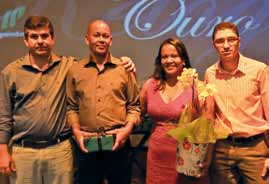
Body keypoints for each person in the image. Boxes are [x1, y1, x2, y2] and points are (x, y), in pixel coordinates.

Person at [0, 16, 136, 184]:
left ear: (53, 38)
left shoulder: (71, 66)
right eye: (34, 37)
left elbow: (132, 103)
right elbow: (4, 116)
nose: (40, 41)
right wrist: (2, 151)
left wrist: (126, 62)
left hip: (64, 151)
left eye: (44, 36)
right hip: (25, 152)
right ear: (26, 40)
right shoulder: (11, 72)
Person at [66, 19, 141, 184]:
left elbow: (134, 106)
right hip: (87, 145)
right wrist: (76, 131)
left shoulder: (124, 69)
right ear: (87, 39)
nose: (101, 40)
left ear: (111, 40)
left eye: (105, 36)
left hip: (118, 143)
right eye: (96, 35)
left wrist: (127, 130)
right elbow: (71, 107)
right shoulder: (75, 71)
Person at [205, 21, 269, 184]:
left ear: (239, 41)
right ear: (214, 45)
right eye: (220, 41)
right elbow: (209, 116)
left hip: (255, 149)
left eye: (231, 39)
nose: (226, 45)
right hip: (222, 150)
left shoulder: (259, 70)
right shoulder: (210, 73)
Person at [140, 37, 210, 184]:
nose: (169, 60)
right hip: (157, 158)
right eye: (165, 57)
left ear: (183, 59)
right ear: (160, 61)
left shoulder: (197, 87)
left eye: (174, 56)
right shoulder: (150, 85)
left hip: (187, 159)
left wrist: (207, 159)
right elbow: (137, 113)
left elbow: (208, 127)